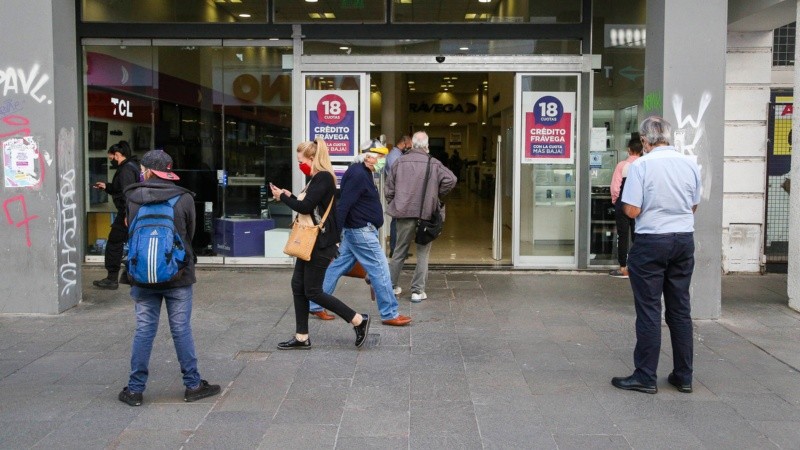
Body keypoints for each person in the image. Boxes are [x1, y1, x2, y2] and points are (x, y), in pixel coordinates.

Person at [118, 149, 220, 406]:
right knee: (181, 329)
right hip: (178, 275)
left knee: (144, 330)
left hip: (141, 276)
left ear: (148, 171)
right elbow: (190, 235)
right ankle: (193, 385)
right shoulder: (183, 198)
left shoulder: (132, 197)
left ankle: (135, 390)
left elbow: (129, 229)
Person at [611, 116, 702, 395]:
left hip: (651, 241)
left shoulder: (641, 166)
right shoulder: (690, 164)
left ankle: (646, 376)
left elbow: (633, 211)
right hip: (683, 240)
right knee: (680, 309)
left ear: (645, 141)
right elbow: (694, 206)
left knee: (650, 309)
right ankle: (683, 375)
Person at [270, 138, 371, 349]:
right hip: (310, 241)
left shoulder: (323, 177)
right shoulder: (316, 178)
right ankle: (301, 337)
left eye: (301, 160)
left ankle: (358, 320)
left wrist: (283, 197)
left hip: (321, 243)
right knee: (298, 286)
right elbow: (311, 205)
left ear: (312, 158)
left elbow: (306, 207)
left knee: (313, 291)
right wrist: (289, 196)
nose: (300, 165)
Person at [320, 139, 412, 327]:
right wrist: (335, 236)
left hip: (357, 230)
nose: (382, 160)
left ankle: (315, 303)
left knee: (336, 267)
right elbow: (343, 205)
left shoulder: (363, 172)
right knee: (380, 270)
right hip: (360, 231)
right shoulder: (358, 174)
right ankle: (389, 313)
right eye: (379, 156)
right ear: (368, 156)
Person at [386, 131, 457, 302]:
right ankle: (417, 291)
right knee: (423, 253)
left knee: (399, 251)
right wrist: (435, 194)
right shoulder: (433, 163)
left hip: (403, 213)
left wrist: (396, 202)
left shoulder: (399, 162)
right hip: (425, 213)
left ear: (412, 144)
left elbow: (389, 189)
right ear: (426, 145)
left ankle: (391, 287)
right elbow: (451, 179)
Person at [92, 141, 140, 290]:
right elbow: (121, 189)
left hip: (128, 213)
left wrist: (127, 214)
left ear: (117, 155)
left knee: (114, 242)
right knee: (131, 243)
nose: (110, 160)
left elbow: (128, 193)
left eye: (111, 157)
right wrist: (107, 187)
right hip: (131, 212)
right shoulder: (131, 166)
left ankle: (112, 278)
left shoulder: (126, 170)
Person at [609, 133, 643, 278]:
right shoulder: (644, 164)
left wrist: (615, 201)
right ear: (642, 150)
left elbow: (615, 187)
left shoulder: (622, 165)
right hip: (639, 204)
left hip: (623, 203)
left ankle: (623, 268)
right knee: (638, 235)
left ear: (629, 150)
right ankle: (638, 267)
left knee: (623, 236)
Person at [385, 134, 411, 256]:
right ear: (404, 142)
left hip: (399, 192)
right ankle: (395, 250)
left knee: (400, 222)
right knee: (396, 222)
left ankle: (399, 250)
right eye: (409, 144)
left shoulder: (398, 155)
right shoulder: (394, 156)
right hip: (397, 192)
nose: (410, 147)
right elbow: (398, 176)